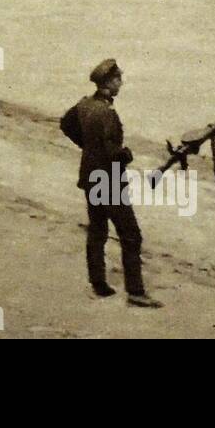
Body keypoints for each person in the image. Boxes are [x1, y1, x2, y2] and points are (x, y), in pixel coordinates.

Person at [61, 58, 161, 308]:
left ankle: (98, 284)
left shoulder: (85, 105)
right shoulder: (106, 112)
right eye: (118, 79)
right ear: (108, 83)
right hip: (109, 181)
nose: (121, 83)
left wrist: (86, 145)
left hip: (90, 178)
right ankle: (136, 292)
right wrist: (125, 154)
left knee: (97, 231)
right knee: (131, 236)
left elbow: (66, 124)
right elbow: (110, 149)